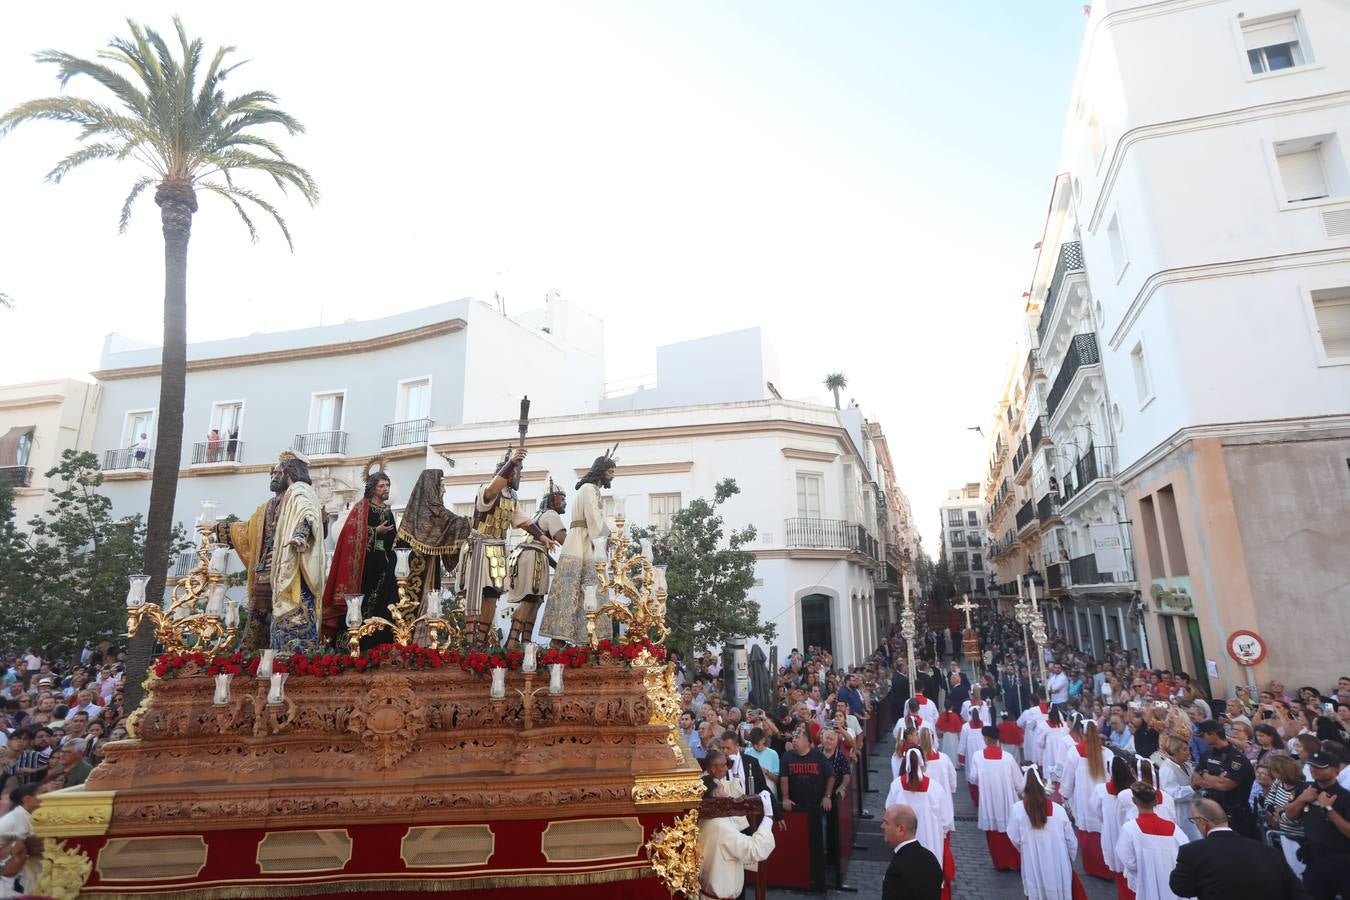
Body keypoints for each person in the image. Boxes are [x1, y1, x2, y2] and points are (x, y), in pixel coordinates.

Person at [216, 452, 326, 653]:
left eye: (278, 473)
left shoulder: (298, 494)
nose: (274, 477)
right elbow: (247, 530)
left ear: (289, 473)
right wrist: (221, 530)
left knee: (286, 617)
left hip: (287, 567)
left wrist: (301, 534)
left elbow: (307, 515)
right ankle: (251, 660)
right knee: (257, 623)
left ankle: (287, 657)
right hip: (264, 571)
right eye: (273, 473)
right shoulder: (266, 507)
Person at [540, 448, 617, 647]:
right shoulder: (589, 489)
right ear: (601, 471)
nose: (612, 476)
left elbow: (595, 518)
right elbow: (593, 517)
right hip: (583, 542)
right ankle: (578, 640)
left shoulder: (590, 489)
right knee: (584, 588)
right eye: (610, 472)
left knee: (578, 591)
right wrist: (605, 538)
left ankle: (582, 639)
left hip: (580, 540)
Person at [321, 466, 398, 645]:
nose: (386, 489)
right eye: (381, 486)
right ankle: (349, 643)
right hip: (363, 564)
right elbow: (350, 532)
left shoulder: (388, 511)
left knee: (379, 603)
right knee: (359, 603)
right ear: (373, 488)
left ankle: (373, 642)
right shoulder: (362, 507)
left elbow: (394, 539)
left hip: (383, 564)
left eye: (387, 485)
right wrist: (375, 531)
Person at [1168, 798, 1303, 900]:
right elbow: (1296, 891)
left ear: (1202, 822)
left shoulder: (1192, 852)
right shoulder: (1269, 852)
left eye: (1194, 821)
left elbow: (1180, 887)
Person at [504, 480, 567, 649]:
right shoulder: (551, 515)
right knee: (530, 599)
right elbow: (563, 540)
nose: (564, 503)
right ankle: (512, 641)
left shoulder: (535, 515)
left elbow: (543, 549)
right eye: (562, 499)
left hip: (524, 556)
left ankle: (526, 642)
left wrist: (558, 566)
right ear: (553, 499)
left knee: (535, 600)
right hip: (534, 558)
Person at [885, 748, 954, 899]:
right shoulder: (936, 788)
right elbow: (947, 821)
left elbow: (888, 812)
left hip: (904, 846)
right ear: (925, 764)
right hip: (932, 846)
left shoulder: (896, 786)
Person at [1007, 765, 1083, 900]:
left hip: (1032, 862)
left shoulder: (1017, 810)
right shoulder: (1059, 810)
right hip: (1058, 864)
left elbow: (1014, 837)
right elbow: (1071, 841)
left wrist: (1025, 848)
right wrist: (1068, 859)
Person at [1284, 750, 1350, 900]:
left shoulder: (1345, 797)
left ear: (1336, 771)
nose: (1314, 770)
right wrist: (1302, 799)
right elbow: (1290, 815)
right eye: (1312, 766)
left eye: (1320, 767)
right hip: (1314, 861)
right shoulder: (1305, 790)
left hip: (1343, 862)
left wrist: (1328, 809)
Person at [696, 782, 776, 900]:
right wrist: (768, 817)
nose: (727, 794)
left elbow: (734, 822)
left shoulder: (704, 819)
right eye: (723, 790)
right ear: (717, 795)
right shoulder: (720, 827)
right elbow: (756, 849)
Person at [780, 726, 835, 893]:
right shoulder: (788, 756)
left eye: (797, 737)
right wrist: (785, 798)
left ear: (806, 741)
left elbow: (831, 776)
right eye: (793, 737)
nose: (794, 740)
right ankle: (800, 878)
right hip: (796, 809)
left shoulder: (818, 756)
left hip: (816, 808)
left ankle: (819, 878)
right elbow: (784, 778)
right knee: (799, 844)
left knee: (819, 843)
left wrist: (827, 795)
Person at [1115, 780, 1188, 900]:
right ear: (1156, 801)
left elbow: (1127, 859)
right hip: (1171, 878)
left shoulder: (1130, 828)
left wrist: (1145, 868)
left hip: (1146, 880)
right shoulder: (1174, 828)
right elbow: (1185, 851)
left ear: (1134, 801)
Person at [1063, 718, 1113, 879]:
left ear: (1081, 733)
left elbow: (1067, 780)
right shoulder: (1108, 753)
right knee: (1104, 834)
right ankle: (1107, 868)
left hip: (1084, 802)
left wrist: (1065, 794)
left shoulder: (1074, 752)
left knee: (1087, 836)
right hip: (1104, 802)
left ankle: (1093, 868)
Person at [969, 724, 1023, 871]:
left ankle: (1000, 863)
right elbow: (1019, 783)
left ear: (986, 739)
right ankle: (1015, 861)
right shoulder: (1008, 758)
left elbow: (973, 778)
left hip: (989, 802)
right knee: (1011, 830)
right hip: (1007, 801)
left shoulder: (978, 756)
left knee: (993, 833)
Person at [1193, 719, 1257, 837]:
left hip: (1236, 814)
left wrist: (1205, 775)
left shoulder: (1236, 758)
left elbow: (1225, 786)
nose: (1201, 739)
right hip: (1213, 811)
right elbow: (1195, 779)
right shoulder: (1207, 754)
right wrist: (1215, 779)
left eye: (1203, 735)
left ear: (1213, 734)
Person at [882, 803, 944, 900]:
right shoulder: (931, 858)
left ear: (900, 829)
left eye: (886, 823)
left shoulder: (897, 869)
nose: (882, 826)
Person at [0, 783, 41, 893]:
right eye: (43, 794)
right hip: (12, 879)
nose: (47, 797)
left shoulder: (31, 816)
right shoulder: (12, 820)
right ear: (27, 799)